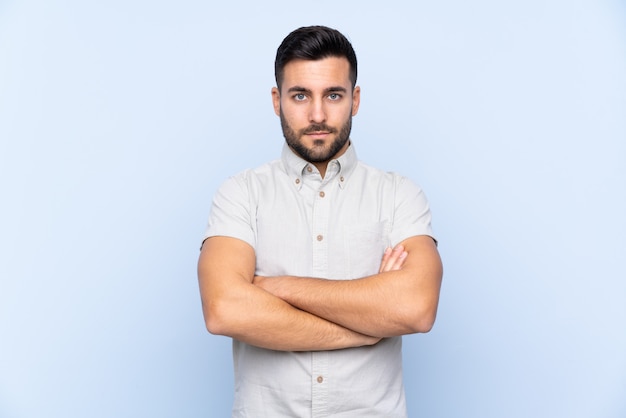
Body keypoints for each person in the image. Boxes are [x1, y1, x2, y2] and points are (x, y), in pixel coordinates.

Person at [197, 25, 443, 417]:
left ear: (355, 99)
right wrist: (369, 325)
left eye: (333, 95)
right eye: (300, 95)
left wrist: (276, 288)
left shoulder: (399, 195)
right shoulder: (241, 193)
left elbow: (415, 307)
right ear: (277, 100)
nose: (317, 114)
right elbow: (225, 308)